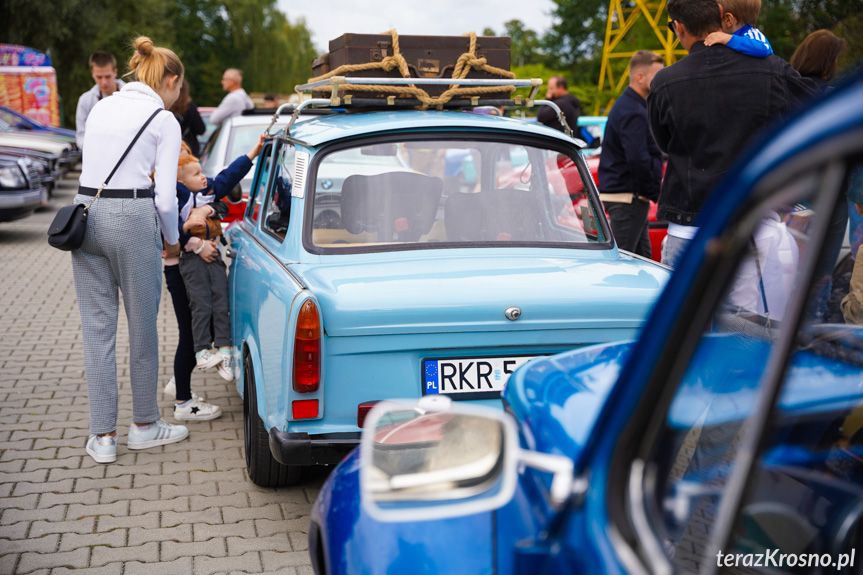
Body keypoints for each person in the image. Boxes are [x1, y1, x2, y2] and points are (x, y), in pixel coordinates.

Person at [72, 37, 188, 464]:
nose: (178, 98)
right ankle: (143, 425)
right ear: (170, 80)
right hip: (133, 216)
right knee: (142, 325)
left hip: (85, 213)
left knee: (97, 329)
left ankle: (102, 437)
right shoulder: (163, 119)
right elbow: (164, 198)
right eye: (179, 89)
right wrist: (172, 238)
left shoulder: (103, 104)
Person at [648, 0, 816, 268]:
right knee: (748, 311)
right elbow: (818, 112)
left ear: (679, 28)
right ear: (724, 19)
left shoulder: (664, 81)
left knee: (684, 310)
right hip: (752, 221)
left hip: (689, 224)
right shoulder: (772, 69)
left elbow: (664, 142)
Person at [175, 137, 264, 395]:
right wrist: (190, 237)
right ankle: (203, 351)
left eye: (202, 171)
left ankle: (225, 352)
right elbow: (165, 227)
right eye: (196, 174)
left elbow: (230, 176)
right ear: (179, 180)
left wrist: (252, 152)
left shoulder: (208, 191)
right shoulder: (173, 195)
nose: (204, 177)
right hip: (190, 259)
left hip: (213, 253)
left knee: (221, 301)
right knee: (201, 303)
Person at [598, 51, 665, 258]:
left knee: (642, 262)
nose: (661, 81)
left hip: (630, 197)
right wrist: (654, 192)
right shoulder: (633, 110)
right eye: (657, 76)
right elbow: (637, 158)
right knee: (622, 265)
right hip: (627, 199)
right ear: (640, 77)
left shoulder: (630, 105)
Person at [75, 51, 125, 150]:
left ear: (115, 72)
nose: (104, 82)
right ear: (92, 74)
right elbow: (81, 136)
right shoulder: (85, 100)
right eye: (99, 77)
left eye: (107, 76)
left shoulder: (132, 96)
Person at [703, 0, 772, 58]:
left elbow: (764, 49)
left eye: (715, 19)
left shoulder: (752, 34)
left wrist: (729, 39)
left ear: (728, 20)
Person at [170, 81, 206, 157]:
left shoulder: (166, 107)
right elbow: (200, 129)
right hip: (189, 149)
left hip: (170, 149)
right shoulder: (190, 107)